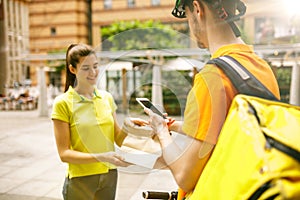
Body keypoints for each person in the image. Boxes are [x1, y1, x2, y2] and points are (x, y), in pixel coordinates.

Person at [145, 0, 280, 199]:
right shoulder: (261, 67)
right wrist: (174, 126)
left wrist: (161, 130)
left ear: (197, 9)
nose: (189, 25)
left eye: (187, 15)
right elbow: (230, 131)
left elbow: (185, 175)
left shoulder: (212, 78)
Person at [51, 43, 144, 200]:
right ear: (72, 69)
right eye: (86, 68)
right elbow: (64, 154)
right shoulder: (63, 103)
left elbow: (118, 140)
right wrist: (102, 156)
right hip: (81, 180)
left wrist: (127, 127)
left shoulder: (106, 98)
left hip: (109, 176)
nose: (93, 72)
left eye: (95, 66)